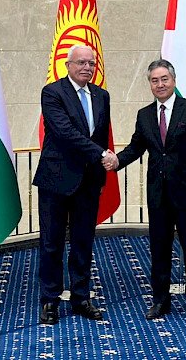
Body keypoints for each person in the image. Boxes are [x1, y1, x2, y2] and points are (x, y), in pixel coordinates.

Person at [104, 59, 186, 320]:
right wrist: (117, 161)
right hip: (158, 195)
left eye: (164, 79)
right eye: (155, 80)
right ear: (150, 84)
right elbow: (136, 147)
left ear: (173, 81)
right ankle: (160, 301)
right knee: (159, 249)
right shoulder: (144, 115)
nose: (160, 84)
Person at [33, 44, 118, 325]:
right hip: (56, 180)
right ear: (68, 65)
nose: (87, 67)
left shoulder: (102, 96)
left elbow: (101, 136)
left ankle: (81, 298)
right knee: (51, 243)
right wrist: (102, 154)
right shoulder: (52, 92)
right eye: (81, 62)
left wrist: (102, 175)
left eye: (91, 63)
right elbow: (64, 132)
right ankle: (50, 300)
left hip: (89, 182)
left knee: (83, 243)